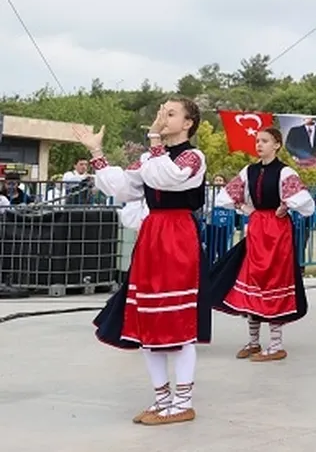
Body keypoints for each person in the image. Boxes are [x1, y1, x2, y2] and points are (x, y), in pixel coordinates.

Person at [73, 99, 210, 426]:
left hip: (177, 235)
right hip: (153, 235)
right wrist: (97, 153)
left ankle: (183, 401)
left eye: (171, 113)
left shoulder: (193, 157)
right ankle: (162, 399)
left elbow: (171, 179)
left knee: (178, 319)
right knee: (147, 316)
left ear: (189, 123)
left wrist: (154, 140)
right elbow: (122, 187)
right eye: (161, 110)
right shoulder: (152, 157)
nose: (162, 116)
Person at [209, 127, 316, 362]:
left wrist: (286, 206)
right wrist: (242, 207)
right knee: (253, 280)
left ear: (277, 144)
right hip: (257, 227)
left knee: (273, 281)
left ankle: (276, 344)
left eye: (265, 141)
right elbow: (226, 196)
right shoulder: (249, 170)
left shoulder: (284, 171)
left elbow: (306, 204)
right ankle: (254, 341)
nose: (259, 145)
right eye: (257, 141)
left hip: (277, 232)